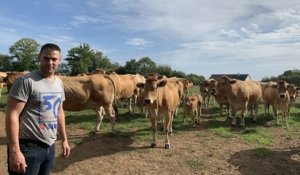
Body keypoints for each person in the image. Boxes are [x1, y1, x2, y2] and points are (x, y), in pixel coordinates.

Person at [6, 43, 70, 175]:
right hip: (28, 147)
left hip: (50, 146)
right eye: (46, 58)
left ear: (60, 60)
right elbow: (12, 115)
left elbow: (59, 112)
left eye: (54, 59)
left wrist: (64, 139)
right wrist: (15, 151)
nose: (50, 62)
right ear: (39, 57)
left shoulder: (59, 83)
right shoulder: (26, 81)